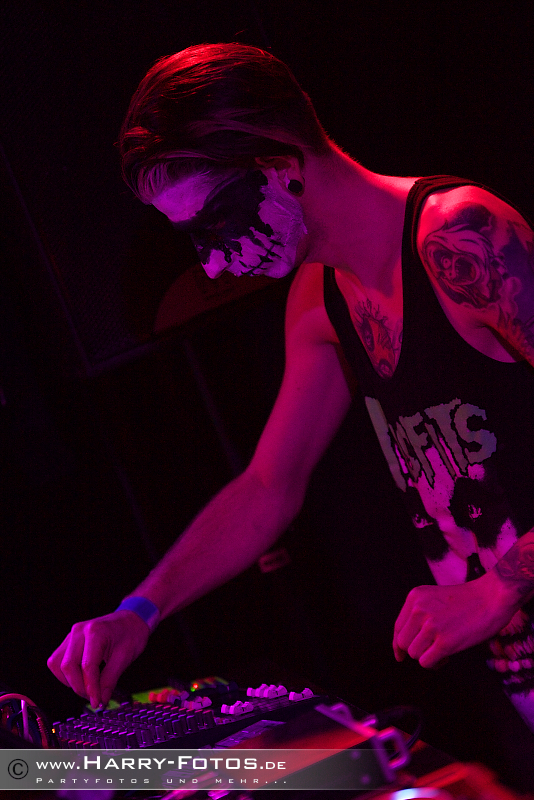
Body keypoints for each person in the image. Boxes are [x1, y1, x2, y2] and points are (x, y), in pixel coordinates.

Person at [48, 42, 534, 755]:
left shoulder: (461, 237)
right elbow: (268, 487)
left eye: (213, 224)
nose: (213, 264)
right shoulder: (319, 296)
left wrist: (499, 586)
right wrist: (140, 611)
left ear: (278, 164)